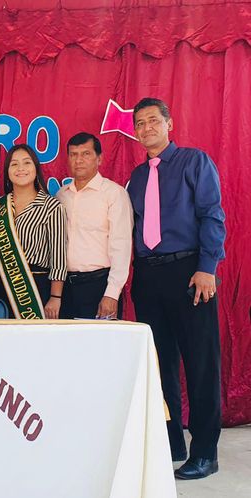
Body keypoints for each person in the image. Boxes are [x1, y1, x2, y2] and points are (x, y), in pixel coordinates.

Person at [127, 98, 226, 479]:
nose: (146, 127)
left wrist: (207, 268)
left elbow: (212, 214)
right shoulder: (136, 177)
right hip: (148, 276)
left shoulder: (193, 162)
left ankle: (205, 453)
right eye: (140, 123)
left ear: (169, 124)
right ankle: (169, 444)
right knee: (160, 363)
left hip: (189, 272)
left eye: (153, 120)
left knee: (200, 363)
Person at [56, 133, 133, 319]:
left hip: (99, 285)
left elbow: (121, 246)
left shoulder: (113, 194)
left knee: (100, 339)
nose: (78, 160)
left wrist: (112, 294)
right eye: (73, 154)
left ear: (99, 158)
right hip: (65, 287)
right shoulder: (61, 195)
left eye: (86, 154)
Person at [0, 144, 67, 319]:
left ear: (36, 168)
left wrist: (55, 297)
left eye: (26, 163)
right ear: (7, 171)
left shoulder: (52, 206)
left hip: (34, 287)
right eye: (14, 164)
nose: (20, 168)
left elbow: (58, 256)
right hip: (1, 284)